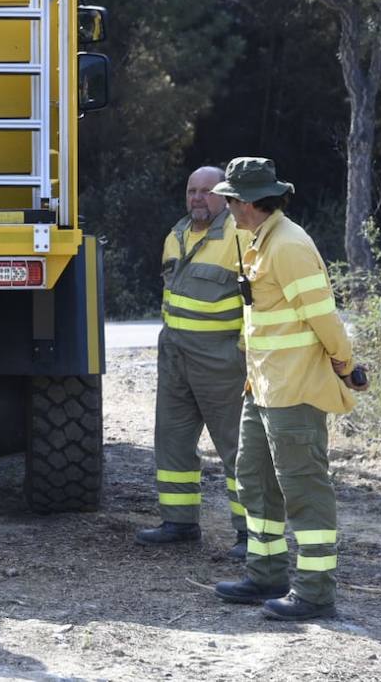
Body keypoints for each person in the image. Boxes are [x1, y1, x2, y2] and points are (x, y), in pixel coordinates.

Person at [210, 157, 368, 621]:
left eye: (231, 199)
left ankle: (316, 594)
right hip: (262, 386)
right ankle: (266, 573)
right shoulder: (257, 239)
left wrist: (347, 365)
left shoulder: (290, 245)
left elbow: (325, 318)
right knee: (254, 477)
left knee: (303, 487)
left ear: (250, 202)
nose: (227, 208)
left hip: (294, 390)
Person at [137, 166, 249, 559]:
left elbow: (256, 303)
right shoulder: (176, 235)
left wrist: (241, 350)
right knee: (172, 441)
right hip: (175, 356)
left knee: (237, 447)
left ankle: (250, 535)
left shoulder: (240, 236)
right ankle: (179, 523)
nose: (198, 198)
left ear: (224, 194)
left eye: (207, 191)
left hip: (220, 360)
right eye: (191, 191)